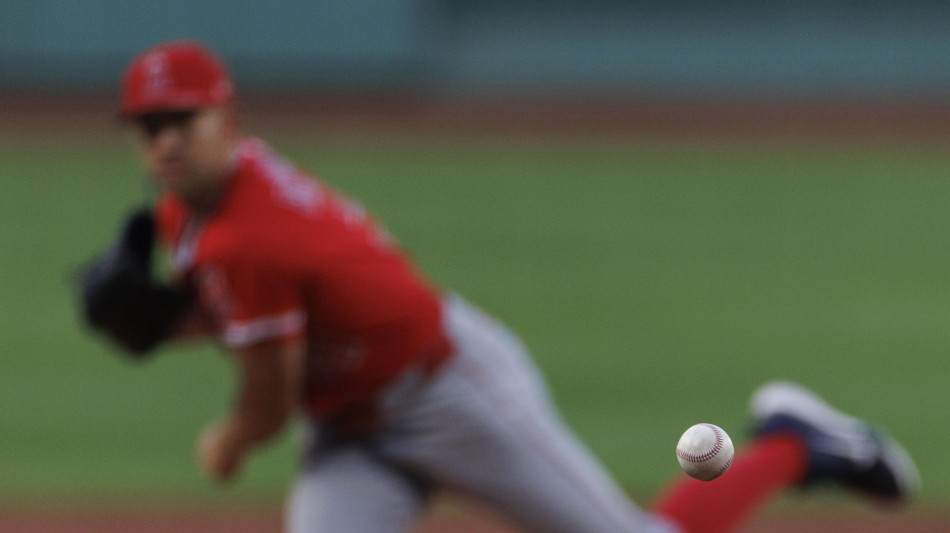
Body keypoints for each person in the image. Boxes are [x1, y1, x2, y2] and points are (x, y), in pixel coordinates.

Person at [79, 40, 920, 533]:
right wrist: (185, 319)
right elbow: (278, 308)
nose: (163, 144)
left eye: (180, 122)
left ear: (227, 119)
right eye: (148, 129)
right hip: (349, 422)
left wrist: (224, 443)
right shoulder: (206, 204)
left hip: (448, 391)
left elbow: (267, 400)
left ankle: (793, 437)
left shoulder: (242, 233)